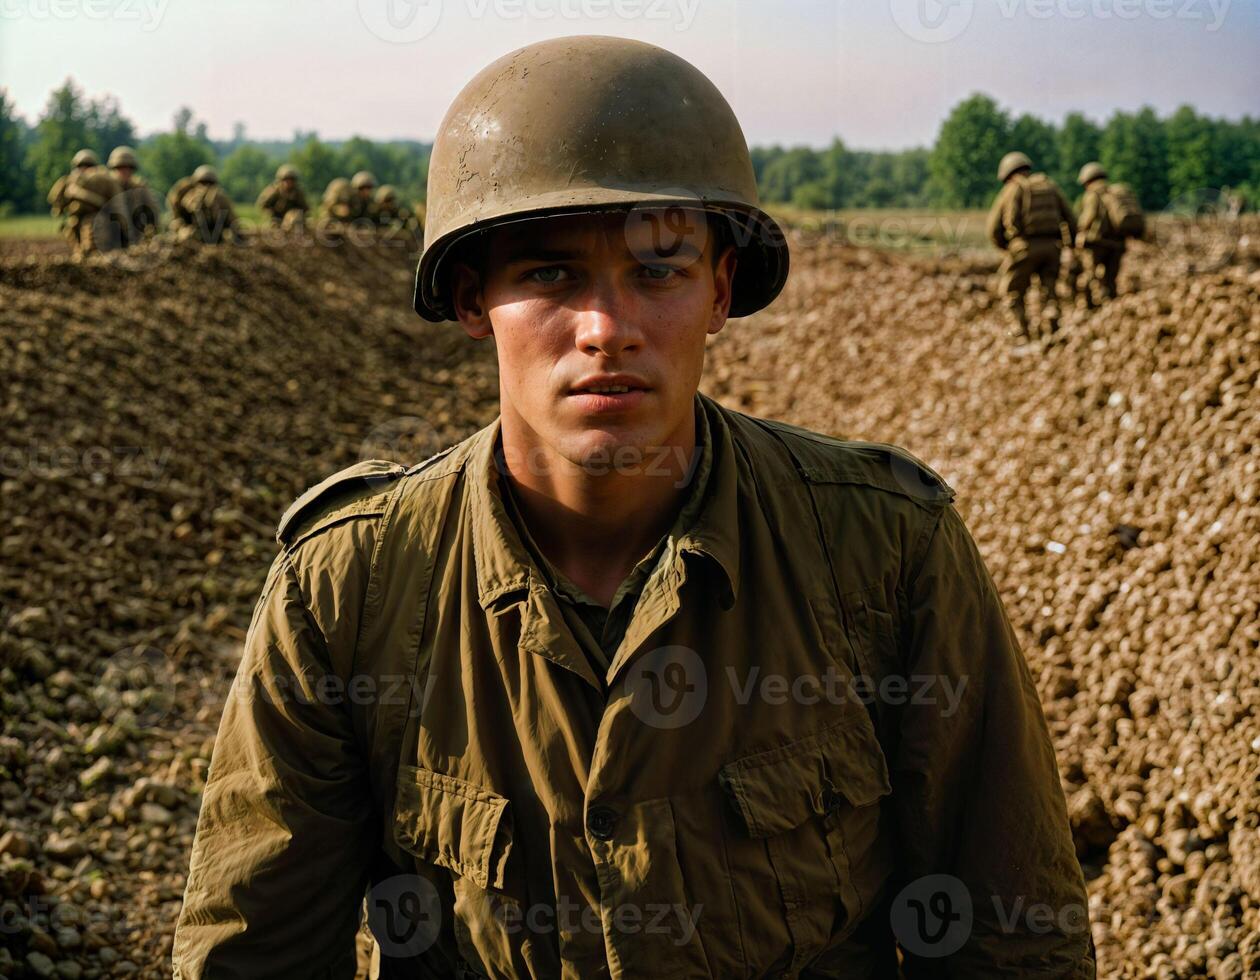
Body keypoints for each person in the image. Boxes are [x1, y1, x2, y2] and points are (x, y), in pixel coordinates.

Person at [174, 37, 1095, 979]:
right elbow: (258, 951)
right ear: (469, 296)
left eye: (659, 272)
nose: (606, 329)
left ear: (719, 293)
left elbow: (1011, 940)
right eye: (549, 275)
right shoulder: (351, 592)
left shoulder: (884, 552)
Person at [986, 151, 1077, 342]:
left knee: (1011, 291)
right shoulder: (1050, 186)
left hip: (1024, 247)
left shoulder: (1012, 189)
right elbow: (1071, 219)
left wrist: (1009, 247)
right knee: (1049, 288)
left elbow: (993, 228)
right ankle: (1052, 327)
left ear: (1007, 173)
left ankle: (1020, 332)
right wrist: (1069, 245)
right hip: (1053, 247)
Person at [1075, 162, 1142, 308]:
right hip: (1118, 243)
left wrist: (1079, 231)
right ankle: (1111, 305)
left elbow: (1088, 217)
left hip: (1098, 242)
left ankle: (1089, 306)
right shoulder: (1114, 192)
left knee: (1090, 274)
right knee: (1111, 278)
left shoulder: (1092, 194)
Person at [47, 149, 122, 257]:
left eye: (88, 166)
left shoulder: (103, 181)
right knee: (73, 233)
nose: (84, 169)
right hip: (76, 218)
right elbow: (56, 201)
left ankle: (92, 255)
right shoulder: (68, 181)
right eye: (81, 166)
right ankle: (81, 255)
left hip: (96, 216)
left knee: (93, 235)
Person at [170, 165, 242, 244]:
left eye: (209, 183)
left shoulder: (220, 198)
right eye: (203, 183)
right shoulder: (186, 194)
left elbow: (232, 221)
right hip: (194, 232)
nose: (206, 187)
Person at [107, 145, 161, 247]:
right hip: (110, 232)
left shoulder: (139, 188)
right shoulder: (105, 186)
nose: (125, 171)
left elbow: (153, 211)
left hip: (135, 234)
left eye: (129, 168)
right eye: (121, 168)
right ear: (114, 168)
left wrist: (152, 234)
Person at [257, 163, 308, 229]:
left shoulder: (298, 192)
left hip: (294, 221)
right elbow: (262, 205)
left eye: (292, 180)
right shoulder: (273, 191)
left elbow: (305, 208)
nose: (289, 183)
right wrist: (271, 215)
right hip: (276, 220)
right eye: (286, 180)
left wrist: (296, 214)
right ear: (280, 180)